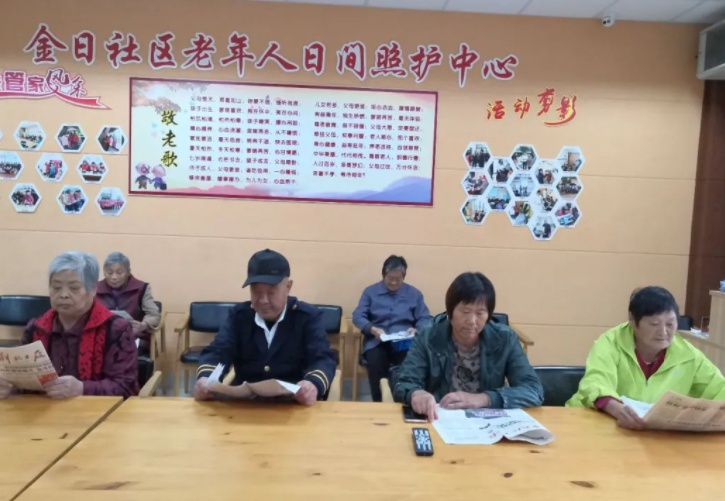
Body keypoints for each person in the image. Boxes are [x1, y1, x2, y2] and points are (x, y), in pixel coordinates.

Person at [566, 286, 725, 429]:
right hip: (596, 424)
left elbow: (719, 388)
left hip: (651, 432)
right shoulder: (610, 343)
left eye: (670, 324)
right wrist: (617, 409)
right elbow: (595, 383)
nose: (663, 332)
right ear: (632, 320)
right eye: (654, 324)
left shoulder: (688, 355)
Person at [393, 272, 543, 420]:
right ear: (450, 311)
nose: (472, 321)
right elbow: (405, 382)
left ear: (488, 315)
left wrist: (484, 398)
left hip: (487, 422)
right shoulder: (428, 336)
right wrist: (416, 393)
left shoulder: (505, 338)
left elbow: (533, 391)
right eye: (465, 311)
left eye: (480, 313)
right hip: (440, 418)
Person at [194, 249, 336, 405]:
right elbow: (218, 352)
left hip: (293, 405)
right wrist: (206, 378)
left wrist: (313, 384)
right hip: (245, 406)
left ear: (288, 287)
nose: (263, 300)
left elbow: (322, 358)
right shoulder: (240, 317)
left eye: (271, 293)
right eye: (256, 292)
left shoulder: (306, 317)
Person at [0, 252, 138, 400]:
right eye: (56, 287)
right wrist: (10, 387)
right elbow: (21, 382)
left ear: (93, 289)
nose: (63, 295)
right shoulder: (35, 328)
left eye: (74, 288)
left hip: (95, 411)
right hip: (41, 410)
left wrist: (82, 388)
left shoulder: (116, 329)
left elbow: (127, 388)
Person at [352, 255, 432, 402]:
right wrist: (372, 329)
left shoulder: (414, 294)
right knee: (375, 362)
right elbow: (358, 316)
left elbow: (426, 318)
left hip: (404, 342)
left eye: (398, 279)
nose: (394, 282)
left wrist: (416, 329)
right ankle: (379, 402)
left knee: (410, 362)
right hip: (377, 340)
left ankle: (403, 400)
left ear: (404, 277)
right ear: (383, 275)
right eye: (390, 278)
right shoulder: (370, 292)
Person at [95, 252, 161, 357]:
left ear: (128, 272)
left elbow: (154, 315)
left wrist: (143, 325)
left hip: (134, 338)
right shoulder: (95, 289)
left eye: (119, 273)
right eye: (109, 273)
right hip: (103, 338)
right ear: (104, 271)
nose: (114, 277)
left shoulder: (141, 288)